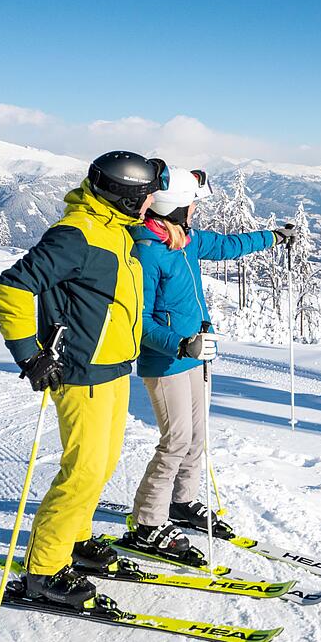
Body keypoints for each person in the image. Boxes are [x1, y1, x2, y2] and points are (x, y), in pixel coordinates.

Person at [0, 151, 167, 607]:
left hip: (112, 369)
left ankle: (77, 541)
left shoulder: (115, 229)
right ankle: (44, 570)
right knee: (83, 470)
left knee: (102, 464)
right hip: (79, 372)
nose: (151, 203)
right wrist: (29, 354)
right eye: (146, 196)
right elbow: (12, 285)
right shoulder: (76, 234)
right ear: (123, 196)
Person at [122, 167, 296, 558]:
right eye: (192, 204)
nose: (196, 211)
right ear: (176, 207)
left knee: (197, 439)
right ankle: (148, 524)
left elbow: (227, 245)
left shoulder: (184, 241)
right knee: (176, 441)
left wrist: (272, 237)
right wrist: (182, 345)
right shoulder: (148, 252)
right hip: (167, 362)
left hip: (196, 355)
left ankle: (181, 503)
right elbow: (139, 321)